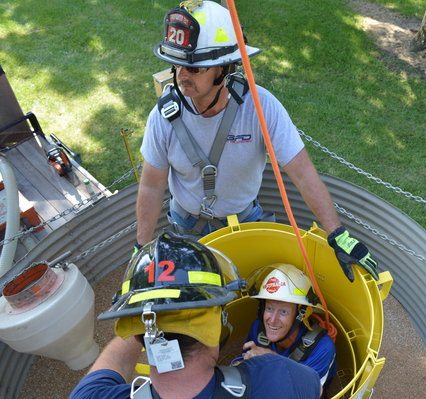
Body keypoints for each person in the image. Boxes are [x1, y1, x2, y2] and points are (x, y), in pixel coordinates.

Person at [135, 0, 377, 283]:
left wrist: (337, 233)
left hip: (244, 220)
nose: (181, 75)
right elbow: (152, 186)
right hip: (186, 225)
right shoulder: (163, 117)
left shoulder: (261, 107)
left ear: (223, 69)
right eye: (176, 65)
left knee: (258, 289)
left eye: (195, 69)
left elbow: (302, 172)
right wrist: (140, 249)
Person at [69, 232, 321, 399]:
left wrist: (146, 318)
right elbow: (315, 388)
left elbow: (106, 371)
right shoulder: (274, 375)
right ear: (218, 328)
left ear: (135, 332)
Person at [240, 264, 336, 389]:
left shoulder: (322, 349)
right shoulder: (258, 329)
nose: (272, 321)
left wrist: (273, 361)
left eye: (283, 311)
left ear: (300, 315)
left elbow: (308, 392)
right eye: (269, 308)